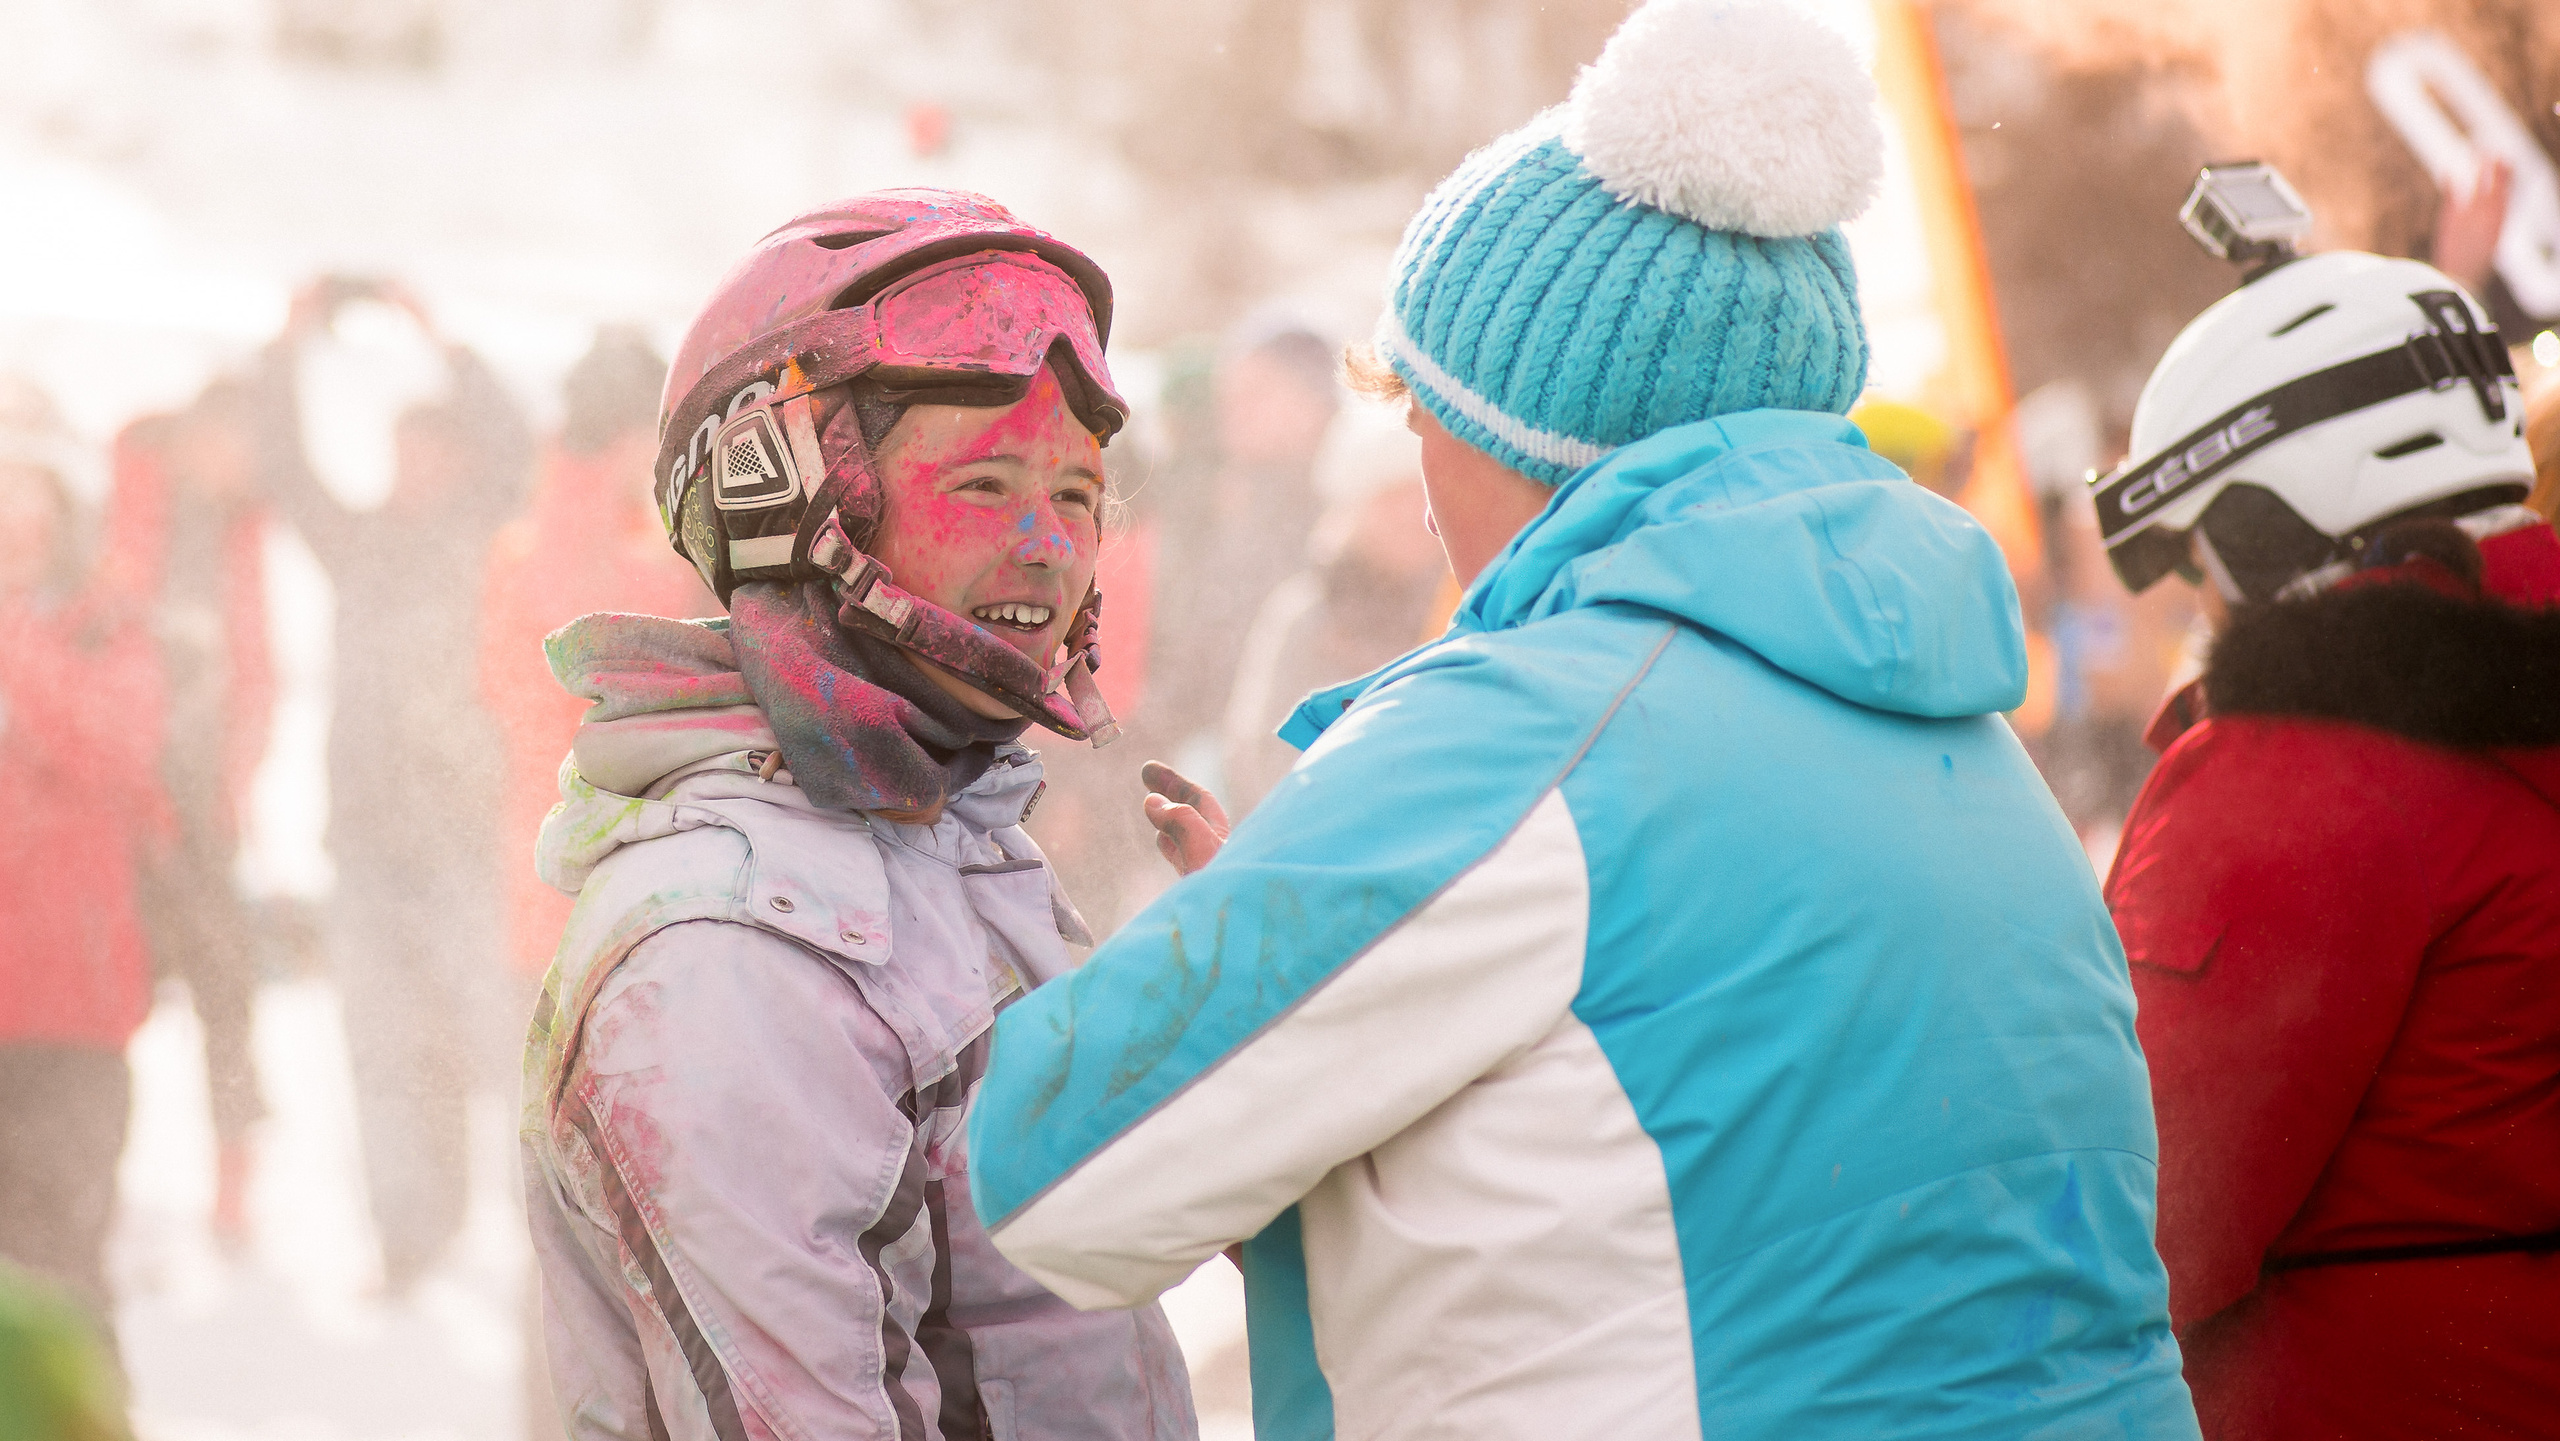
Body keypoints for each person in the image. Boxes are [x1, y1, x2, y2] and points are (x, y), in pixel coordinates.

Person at [967, 5, 2198, 1439]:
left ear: (1516, 430)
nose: (1419, 491)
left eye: (1421, 413)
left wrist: (1267, 921)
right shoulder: (1968, 750)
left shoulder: (1513, 740)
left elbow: (1053, 1166)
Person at [519, 189, 1195, 1440]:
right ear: (781, 499)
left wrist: (1250, 999)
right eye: (984, 484)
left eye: (1080, 492)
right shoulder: (731, 961)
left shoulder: (945, 837)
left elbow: (1060, 1288)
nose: (1051, 545)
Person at [2092, 243, 2560, 1438]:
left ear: (2262, 526)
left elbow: (2141, 1219)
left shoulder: (2296, 771)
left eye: (2196, 560)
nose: (2200, 606)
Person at [255, 278, 532, 1293]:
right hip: (366, 842)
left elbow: (517, 448)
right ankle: (409, 1237)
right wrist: (288, 345)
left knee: (495, 1041)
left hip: (468, 837)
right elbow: (283, 467)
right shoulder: (362, 542)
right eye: (404, 449)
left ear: (457, 462)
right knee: (381, 1048)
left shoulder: (487, 539)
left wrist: (440, 337)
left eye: (434, 450)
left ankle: (532, 1239)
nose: (416, 466)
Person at [0, 378, 163, 1345]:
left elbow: (115, 747)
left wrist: (17, 641)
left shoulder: (106, 625)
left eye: (32, 495)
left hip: (70, 1014)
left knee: (58, 1275)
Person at [481, 326, 715, 988]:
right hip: (621, 904)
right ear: (626, 438)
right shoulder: (644, 568)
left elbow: (497, 695)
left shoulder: (519, 550)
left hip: (550, 888)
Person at [108, 380, 277, 1252]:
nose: (245, 463)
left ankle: (233, 1187)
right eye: (236, 442)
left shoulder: (238, 521)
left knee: (226, 996)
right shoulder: (124, 489)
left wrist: (236, 779)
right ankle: (87, 1175)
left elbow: (258, 663)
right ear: (200, 433)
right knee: (107, 992)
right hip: (114, 802)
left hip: (205, 804)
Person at [1219, 401, 1442, 814]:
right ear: (1355, 509)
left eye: (1423, 496)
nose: (1412, 515)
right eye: (1393, 497)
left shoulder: (1459, 604)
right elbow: (1262, 751)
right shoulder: (1306, 616)